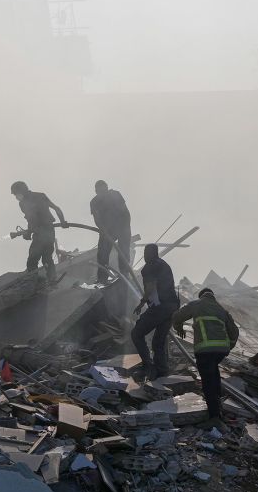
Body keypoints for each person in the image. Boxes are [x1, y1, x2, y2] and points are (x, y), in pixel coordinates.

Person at [172, 287, 239, 428]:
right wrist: (228, 347)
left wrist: (178, 327)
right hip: (220, 351)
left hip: (205, 350)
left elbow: (177, 316)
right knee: (214, 376)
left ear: (201, 296)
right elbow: (234, 332)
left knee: (208, 382)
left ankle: (214, 417)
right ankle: (218, 408)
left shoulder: (196, 304)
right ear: (213, 297)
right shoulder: (222, 310)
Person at [130, 243, 179, 381]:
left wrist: (141, 303)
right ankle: (162, 372)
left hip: (160, 307)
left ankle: (148, 366)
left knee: (137, 333)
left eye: (146, 253)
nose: (144, 256)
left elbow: (151, 286)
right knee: (158, 341)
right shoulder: (164, 264)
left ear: (151, 253)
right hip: (172, 307)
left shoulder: (150, 266)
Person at [10, 181, 67, 280]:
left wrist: (28, 233)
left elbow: (31, 219)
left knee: (32, 261)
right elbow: (57, 209)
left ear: (21, 192)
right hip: (49, 231)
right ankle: (52, 280)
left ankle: (33, 283)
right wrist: (62, 222)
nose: (16, 197)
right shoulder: (41, 196)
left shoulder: (23, 203)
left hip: (40, 233)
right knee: (47, 257)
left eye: (16, 194)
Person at [89, 180, 132, 284]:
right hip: (107, 231)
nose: (103, 193)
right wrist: (103, 231)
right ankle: (102, 278)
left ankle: (124, 274)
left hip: (122, 227)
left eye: (104, 190)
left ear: (107, 188)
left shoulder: (115, 194)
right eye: (100, 191)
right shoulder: (94, 202)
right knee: (102, 254)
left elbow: (125, 212)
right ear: (96, 191)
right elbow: (97, 219)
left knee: (124, 251)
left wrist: (125, 228)